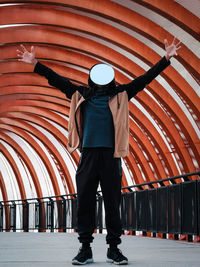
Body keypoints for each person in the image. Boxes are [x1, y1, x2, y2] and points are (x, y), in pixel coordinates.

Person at [17, 37, 181, 265]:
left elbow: (144, 80)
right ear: (92, 77)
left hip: (111, 156)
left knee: (113, 202)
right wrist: (35, 64)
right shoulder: (81, 94)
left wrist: (165, 59)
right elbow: (57, 80)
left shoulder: (122, 93)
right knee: (84, 201)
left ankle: (114, 249)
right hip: (88, 155)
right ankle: (85, 249)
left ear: (111, 77)